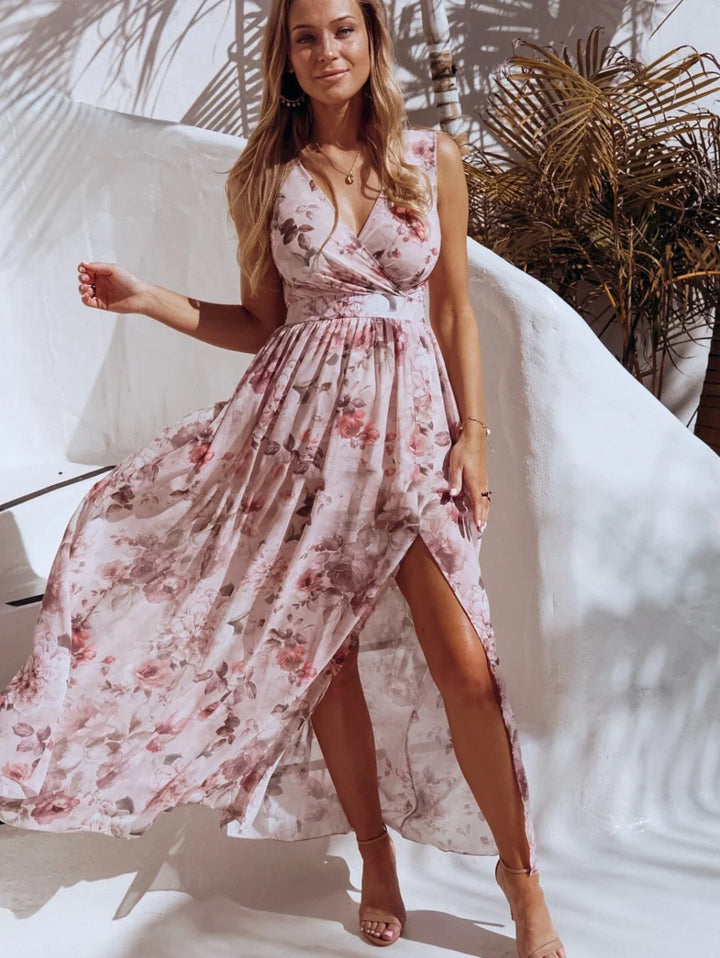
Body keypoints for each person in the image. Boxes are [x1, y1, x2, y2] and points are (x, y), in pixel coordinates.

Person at [0, 1, 566, 955]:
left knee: (465, 666)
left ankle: (522, 881)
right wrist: (148, 301)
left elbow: (457, 311)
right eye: (306, 37)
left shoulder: (432, 160)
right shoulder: (267, 175)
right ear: (288, 58)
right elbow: (263, 323)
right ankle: (375, 855)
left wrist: (473, 435)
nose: (327, 50)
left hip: (415, 434)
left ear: (372, 41)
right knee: (327, 661)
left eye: (343, 30)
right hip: (298, 440)